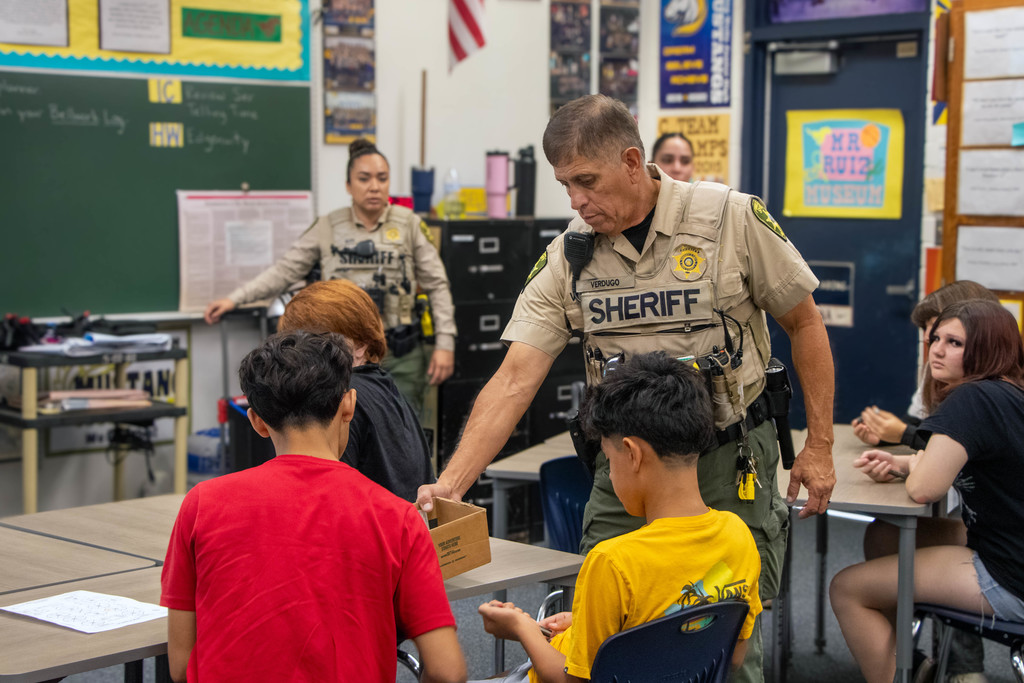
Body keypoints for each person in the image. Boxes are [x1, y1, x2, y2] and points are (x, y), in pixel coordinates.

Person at [417, 94, 836, 683]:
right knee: (600, 624)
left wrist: (819, 446)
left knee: (724, 637)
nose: (577, 201)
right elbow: (515, 378)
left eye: (587, 181)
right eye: (566, 186)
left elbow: (805, 324)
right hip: (622, 468)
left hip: (723, 461)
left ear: (633, 161)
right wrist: (451, 485)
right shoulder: (571, 253)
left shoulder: (729, 218)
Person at [160, 331, 466, 683]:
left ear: (257, 421)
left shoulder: (201, 504)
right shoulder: (396, 518)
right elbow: (447, 672)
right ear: (348, 404)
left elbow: (181, 667)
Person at [474, 352, 762, 683]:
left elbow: (571, 681)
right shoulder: (738, 536)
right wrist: (593, 626)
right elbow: (732, 656)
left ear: (632, 454)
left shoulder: (612, 562)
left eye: (609, 460)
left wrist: (522, 628)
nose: (610, 475)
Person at [830, 299, 1024, 683]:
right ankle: (906, 661)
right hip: (1008, 545)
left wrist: (916, 468)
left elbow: (923, 490)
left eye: (954, 343)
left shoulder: (974, 398)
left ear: (986, 348)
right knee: (886, 535)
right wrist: (906, 463)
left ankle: (902, 672)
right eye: (936, 338)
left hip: (1009, 577)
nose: (936, 349)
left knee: (847, 589)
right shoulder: (1008, 392)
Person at [203, 138, 457, 418]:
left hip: (401, 354)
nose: (374, 186)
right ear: (349, 185)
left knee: (404, 430)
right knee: (344, 434)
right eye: (364, 178)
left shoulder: (409, 224)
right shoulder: (327, 227)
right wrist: (234, 299)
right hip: (342, 356)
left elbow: (437, 285)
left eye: (382, 178)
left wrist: (445, 344)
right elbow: (285, 271)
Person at [276, 279, 435, 503]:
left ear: (362, 344)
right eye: (299, 344)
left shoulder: (343, 398)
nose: (305, 354)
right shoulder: (384, 386)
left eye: (320, 342)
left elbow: (329, 503)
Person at [852, 280, 998, 450]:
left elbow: (959, 450)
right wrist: (884, 433)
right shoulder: (939, 368)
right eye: (928, 328)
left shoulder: (990, 392)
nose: (929, 336)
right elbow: (919, 422)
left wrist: (903, 434)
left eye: (938, 324)